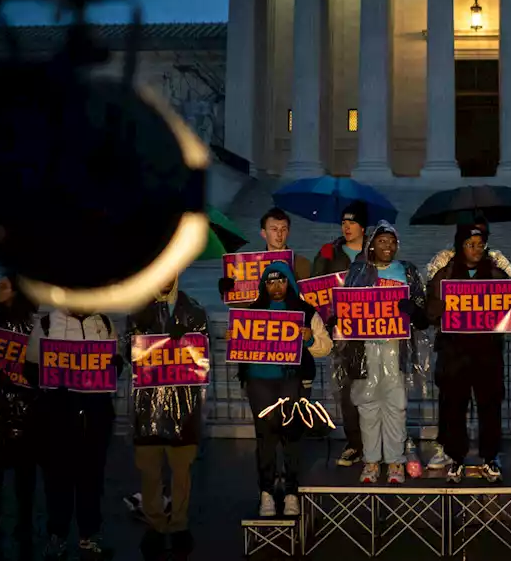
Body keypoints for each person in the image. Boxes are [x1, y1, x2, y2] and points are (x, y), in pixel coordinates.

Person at [26, 305, 123, 561]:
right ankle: (57, 535)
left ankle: (89, 535)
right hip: (58, 414)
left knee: (92, 477)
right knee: (57, 478)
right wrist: (51, 380)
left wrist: (116, 364)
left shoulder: (105, 322)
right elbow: (30, 367)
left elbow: (116, 365)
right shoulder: (46, 324)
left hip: (96, 413)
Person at [336, 221, 429, 484]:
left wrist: (411, 309)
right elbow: (344, 308)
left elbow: (422, 316)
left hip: (394, 348)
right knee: (367, 405)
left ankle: (396, 461)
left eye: (392, 241)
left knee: (396, 405)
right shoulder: (358, 271)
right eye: (382, 241)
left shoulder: (407, 271)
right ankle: (372, 460)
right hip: (364, 350)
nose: (387, 246)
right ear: (372, 244)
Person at [126, 276, 210, 561]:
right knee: (149, 473)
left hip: (184, 407)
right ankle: (155, 526)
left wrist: (184, 336)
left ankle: (179, 525)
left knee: (181, 472)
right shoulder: (138, 310)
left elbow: (203, 356)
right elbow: (129, 352)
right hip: (147, 406)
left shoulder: (195, 311)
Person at [240, 260, 333, 516]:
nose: (276, 286)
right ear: (263, 284)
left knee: (292, 437)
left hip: (293, 380)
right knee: (265, 439)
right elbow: (240, 351)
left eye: (281, 280)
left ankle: (291, 492)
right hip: (259, 382)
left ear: (290, 282)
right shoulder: (253, 310)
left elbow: (326, 348)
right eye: (270, 281)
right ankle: (267, 493)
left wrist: (310, 338)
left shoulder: (306, 311)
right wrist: (234, 338)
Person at [424, 219, 511, 472]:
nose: (476, 249)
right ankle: (456, 457)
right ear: (459, 246)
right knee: (453, 407)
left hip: (488, 354)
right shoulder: (445, 274)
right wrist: (439, 307)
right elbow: (429, 313)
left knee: (490, 408)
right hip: (454, 354)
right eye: (470, 244)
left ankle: (490, 458)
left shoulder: (498, 274)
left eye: (480, 244)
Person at [0, 273, 40, 559]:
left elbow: (43, 367)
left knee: (24, 474)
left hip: (25, 410)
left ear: (17, 291)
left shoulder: (34, 324)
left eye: (3, 285)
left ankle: (23, 524)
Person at [312, 200, 369, 467]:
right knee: (347, 390)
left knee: (375, 388)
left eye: (352, 222)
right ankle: (354, 443)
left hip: (372, 331)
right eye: (343, 222)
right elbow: (314, 291)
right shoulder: (330, 253)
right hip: (342, 333)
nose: (346, 227)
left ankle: (378, 442)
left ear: (363, 226)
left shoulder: (375, 251)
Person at [217, 207, 312, 301]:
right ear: (264, 233)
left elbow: (314, 302)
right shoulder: (248, 267)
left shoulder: (302, 264)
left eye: (283, 229)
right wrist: (227, 290)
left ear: (288, 232)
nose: (279, 234)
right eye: (274, 229)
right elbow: (241, 304)